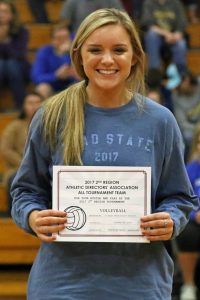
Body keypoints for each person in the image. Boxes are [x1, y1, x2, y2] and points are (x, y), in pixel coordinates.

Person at [11, 8, 198, 300]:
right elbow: (25, 191)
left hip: (140, 285)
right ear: (79, 55)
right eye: (95, 50)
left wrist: (170, 219)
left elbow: (180, 197)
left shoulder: (160, 120)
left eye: (119, 50)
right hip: (62, 285)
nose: (107, 60)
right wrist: (34, 217)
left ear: (134, 56)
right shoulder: (52, 114)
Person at [0, 91, 43, 213]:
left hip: (44, 170)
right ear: (24, 106)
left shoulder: (49, 125)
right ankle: (14, 217)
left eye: (37, 102)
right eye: (30, 103)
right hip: (17, 169)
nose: (34, 106)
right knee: (16, 179)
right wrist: (26, 165)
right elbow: (6, 150)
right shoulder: (14, 126)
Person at [176, 123, 200, 300]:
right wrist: (195, 214)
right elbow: (182, 200)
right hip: (196, 221)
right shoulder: (190, 169)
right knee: (187, 233)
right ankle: (189, 285)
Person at [31, 23, 78, 99]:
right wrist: (56, 75)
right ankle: (45, 111)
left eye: (66, 38)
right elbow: (36, 77)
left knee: (78, 87)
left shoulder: (76, 52)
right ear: (52, 40)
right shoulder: (44, 51)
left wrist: (66, 54)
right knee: (42, 88)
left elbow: (80, 78)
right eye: (59, 38)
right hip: (52, 87)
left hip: (72, 86)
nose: (63, 42)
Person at [140, 0, 188, 74]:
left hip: (173, 37)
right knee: (151, 36)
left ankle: (180, 75)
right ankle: (154, 73)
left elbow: (182, 25)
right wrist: (166, 34)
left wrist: (176, 35)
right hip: (157, 37)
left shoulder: (176, 3)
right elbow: (147, 25)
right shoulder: (149, 3)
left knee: (181, 44)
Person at [0, 0, 30, 109]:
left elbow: (19, 54)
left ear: (12, 14)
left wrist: (3, 40)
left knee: (11, 65)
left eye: (5, 11)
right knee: (2, 65)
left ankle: (20, 106)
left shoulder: (21, 31)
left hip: (19, 68)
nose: (1, 14)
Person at [172, 71, 200, 162]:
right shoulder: (176, 96)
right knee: (187, 136)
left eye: (185, 82)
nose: (181, 85)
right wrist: (197, 129)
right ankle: (190, 163)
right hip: (189, 128)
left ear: (192, 85)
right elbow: (182, 122)